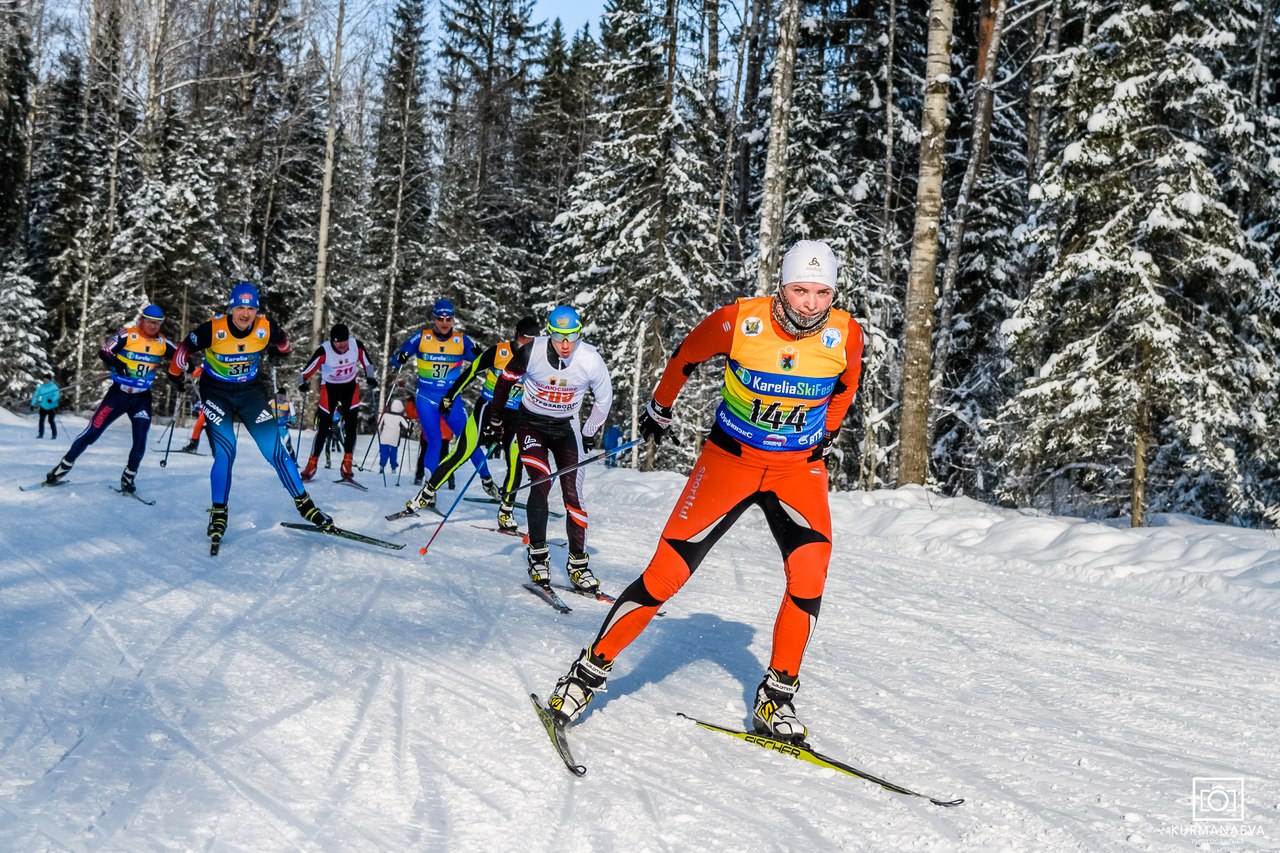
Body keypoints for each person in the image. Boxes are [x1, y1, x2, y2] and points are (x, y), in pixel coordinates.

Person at [543, 240, 865, 746]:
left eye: (821, 292)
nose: (810, 303)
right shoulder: (739, 321)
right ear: (781, 286)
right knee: (666, 575)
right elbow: (686, 356)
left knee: (809, 575)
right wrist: (660, 406)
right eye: (800, 289)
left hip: (797, 473)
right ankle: (584, 677)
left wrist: (827, 430)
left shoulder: (846, 333)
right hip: (729, 464)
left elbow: (846, 385)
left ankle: (776, 697)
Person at [167, 281, 333, 542]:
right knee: (226, 451)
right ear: (231, 308)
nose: (245, 314)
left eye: (251, 309)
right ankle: (219, 512)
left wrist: (281, 353)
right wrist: (175, 376)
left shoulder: (265, 328)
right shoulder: (213, 329)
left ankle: (305, 506)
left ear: (257, 311)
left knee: (275, 450)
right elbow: (181, 353)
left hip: (250, 394)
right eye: (240, 307)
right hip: (217, 394)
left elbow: (285, 342)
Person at [480, 306, 612, 591]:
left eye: (572, 336)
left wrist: (588, 433)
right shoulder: (532, 352)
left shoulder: (590, 359)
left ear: (580, 333)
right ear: (550, 334)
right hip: (531, 425)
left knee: (573, 494)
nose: (566, 345)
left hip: (566, 427)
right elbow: (504, 382)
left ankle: (578, 563)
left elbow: (604, 401)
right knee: (541, 480)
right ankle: (538, 554)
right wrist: (494, 419)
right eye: (559, 337)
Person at [404, 315, 538, 530]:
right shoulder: (500, 351)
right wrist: (450, 396)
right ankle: (426, 494)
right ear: (516, 336)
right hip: (488, 408)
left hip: (517, 414)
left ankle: (506, 510)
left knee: (516, 461)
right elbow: (471, 372)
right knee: (461, 452)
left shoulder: (539, 357)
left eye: (533, 339)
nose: (528, 343)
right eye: (524, 338)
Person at [45, 305, 176, 493]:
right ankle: (63, 467)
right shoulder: (127, 336)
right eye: (150, 322)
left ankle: (128, 477)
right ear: (142, 320)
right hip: (118, 395)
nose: (153, 326)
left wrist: (185, 371)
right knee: (93, 432)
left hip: (141, 398)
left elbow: (181, 357)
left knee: (140, 439)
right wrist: (117, 362)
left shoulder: (163, 343)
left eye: (157, 323)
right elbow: (105, 352)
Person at [392, 298, 496, 506]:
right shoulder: (421, 337)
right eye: (440, 318)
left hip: (451, 399)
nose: (445, 322)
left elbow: (483, 360)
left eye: (449, 318)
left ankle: (487, 480)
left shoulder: (461, 340)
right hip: (426, 399)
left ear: (453, 319)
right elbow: (397, 358)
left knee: (469, 440)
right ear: (434, 319)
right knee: (435, 442)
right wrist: (401, 357)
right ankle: (429, 491)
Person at [298, 323, 377, 482]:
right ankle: (311, 464)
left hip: (350, 388)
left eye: (344, 341)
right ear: (332, 341)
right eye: (337, 342)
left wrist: (370, 377)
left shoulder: (356, 345)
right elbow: (306, 371)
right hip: (330, 389)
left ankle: (347, 463)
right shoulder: (324, 350)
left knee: (351, 426)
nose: (341, 345)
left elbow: (368, 363)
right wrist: (303, 382)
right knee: (324, 428)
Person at [377, 398, 411, 474]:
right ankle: (393, 468)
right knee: (393, 453)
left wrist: (378, 431)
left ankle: (382, 466)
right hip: (394, 440)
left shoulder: (385, 415)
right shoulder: (400, 417)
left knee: (383, 452)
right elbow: (407, 426)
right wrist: (409, 425)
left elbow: (379, 425)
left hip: (384, 438)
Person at [31, 374, 59, 439]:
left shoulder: (54, 387)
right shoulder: (41, 387)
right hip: (43, 406)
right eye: (44, 379)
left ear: (49, 379)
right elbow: (36, 396)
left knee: (51, 420)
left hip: (52, 406)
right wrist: (33, 404)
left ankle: (54, 435)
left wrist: (52, 400)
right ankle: (40, 434)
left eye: (46, 379)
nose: (45, 380)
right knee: (41, 421)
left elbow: (56, 395)